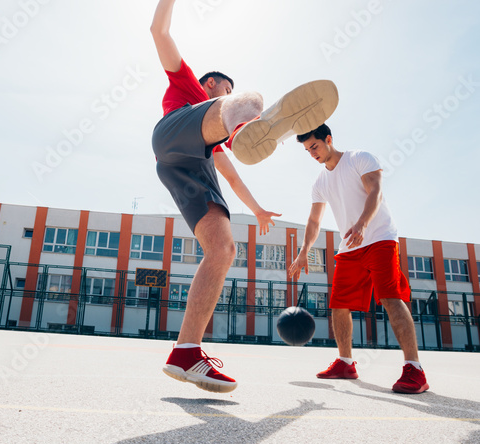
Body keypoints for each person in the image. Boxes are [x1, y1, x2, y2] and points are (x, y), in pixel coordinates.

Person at [150, 0, 336, 393]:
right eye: (224, 89)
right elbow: (159, 32)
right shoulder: (187, 85)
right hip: (171, 137)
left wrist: (258, 210)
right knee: (251, 100)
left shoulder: (212, 144)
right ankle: (246, 127)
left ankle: (186, 352)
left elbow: (232, 180)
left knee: (223, 250)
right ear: (211, 85)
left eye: (226, 93)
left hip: (192, 164)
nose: (225, 92)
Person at [289, 124, 429, 394]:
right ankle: (345, 362)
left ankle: (415, 369)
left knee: (390, 298)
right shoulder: (320, 182)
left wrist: (363, 224)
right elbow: (314, 220)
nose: (312, 154)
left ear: (329, 139)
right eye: (307, 150)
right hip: (350, 246)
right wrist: (304, 250)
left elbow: (374, 191)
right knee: (339, 304)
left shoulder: (359, 158)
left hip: (379, 237)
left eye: (315, 146)